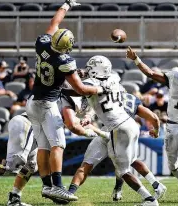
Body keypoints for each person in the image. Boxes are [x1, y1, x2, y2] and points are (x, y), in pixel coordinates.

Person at [25, 0, 109, 204]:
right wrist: (100, 89)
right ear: (67, 47)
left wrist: (66, 5)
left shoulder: (42, 43)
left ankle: (46, 188)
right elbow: (81, 89)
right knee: (58, 145)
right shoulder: (65, 61)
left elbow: (53, 25)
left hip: (32, 101)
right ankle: (59, 188)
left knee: (43, 146)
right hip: (47, 104)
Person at [0, 92, 107, 206]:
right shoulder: (66, 98)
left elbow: (67, 121)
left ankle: (14, 197)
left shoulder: (58, 98)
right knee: (13, 166)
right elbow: (71, 124)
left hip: (31, 126)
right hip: (28, 125)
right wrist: (91, 132)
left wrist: (84, 120)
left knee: (31, 166)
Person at [67, 55, 159, 206]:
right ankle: (69, 193)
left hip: (117, 127)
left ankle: (149, 199)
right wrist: (82, 74)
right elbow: (93, 91)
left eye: (91, 67)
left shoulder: (92, 83)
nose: (88, 70)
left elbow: (78, 89)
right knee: (87, 163)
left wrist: (56, 87)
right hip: (121, 125)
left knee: (123, 170)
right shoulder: (114, 78)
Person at [126, 47, 178, 203]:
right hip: (171, 126)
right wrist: (136, 59)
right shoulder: (175, 77)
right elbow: (150, 73)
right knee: (172, 166)